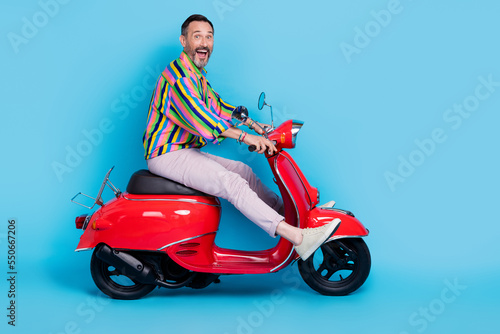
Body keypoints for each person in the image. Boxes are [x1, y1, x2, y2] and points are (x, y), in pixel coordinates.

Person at [142, 14, 339, 260]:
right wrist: (246, 138)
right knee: (231, 183)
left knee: (243, 171)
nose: (204, 43)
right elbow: (205, 120)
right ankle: (298, 237)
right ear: (184, 41)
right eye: (197, 36)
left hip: (184, 151)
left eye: (209, 37)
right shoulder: (179, 79)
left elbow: (219, 106)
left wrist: (255, 125)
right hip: (166, 154)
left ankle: (292, 215)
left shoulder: (196, 75)